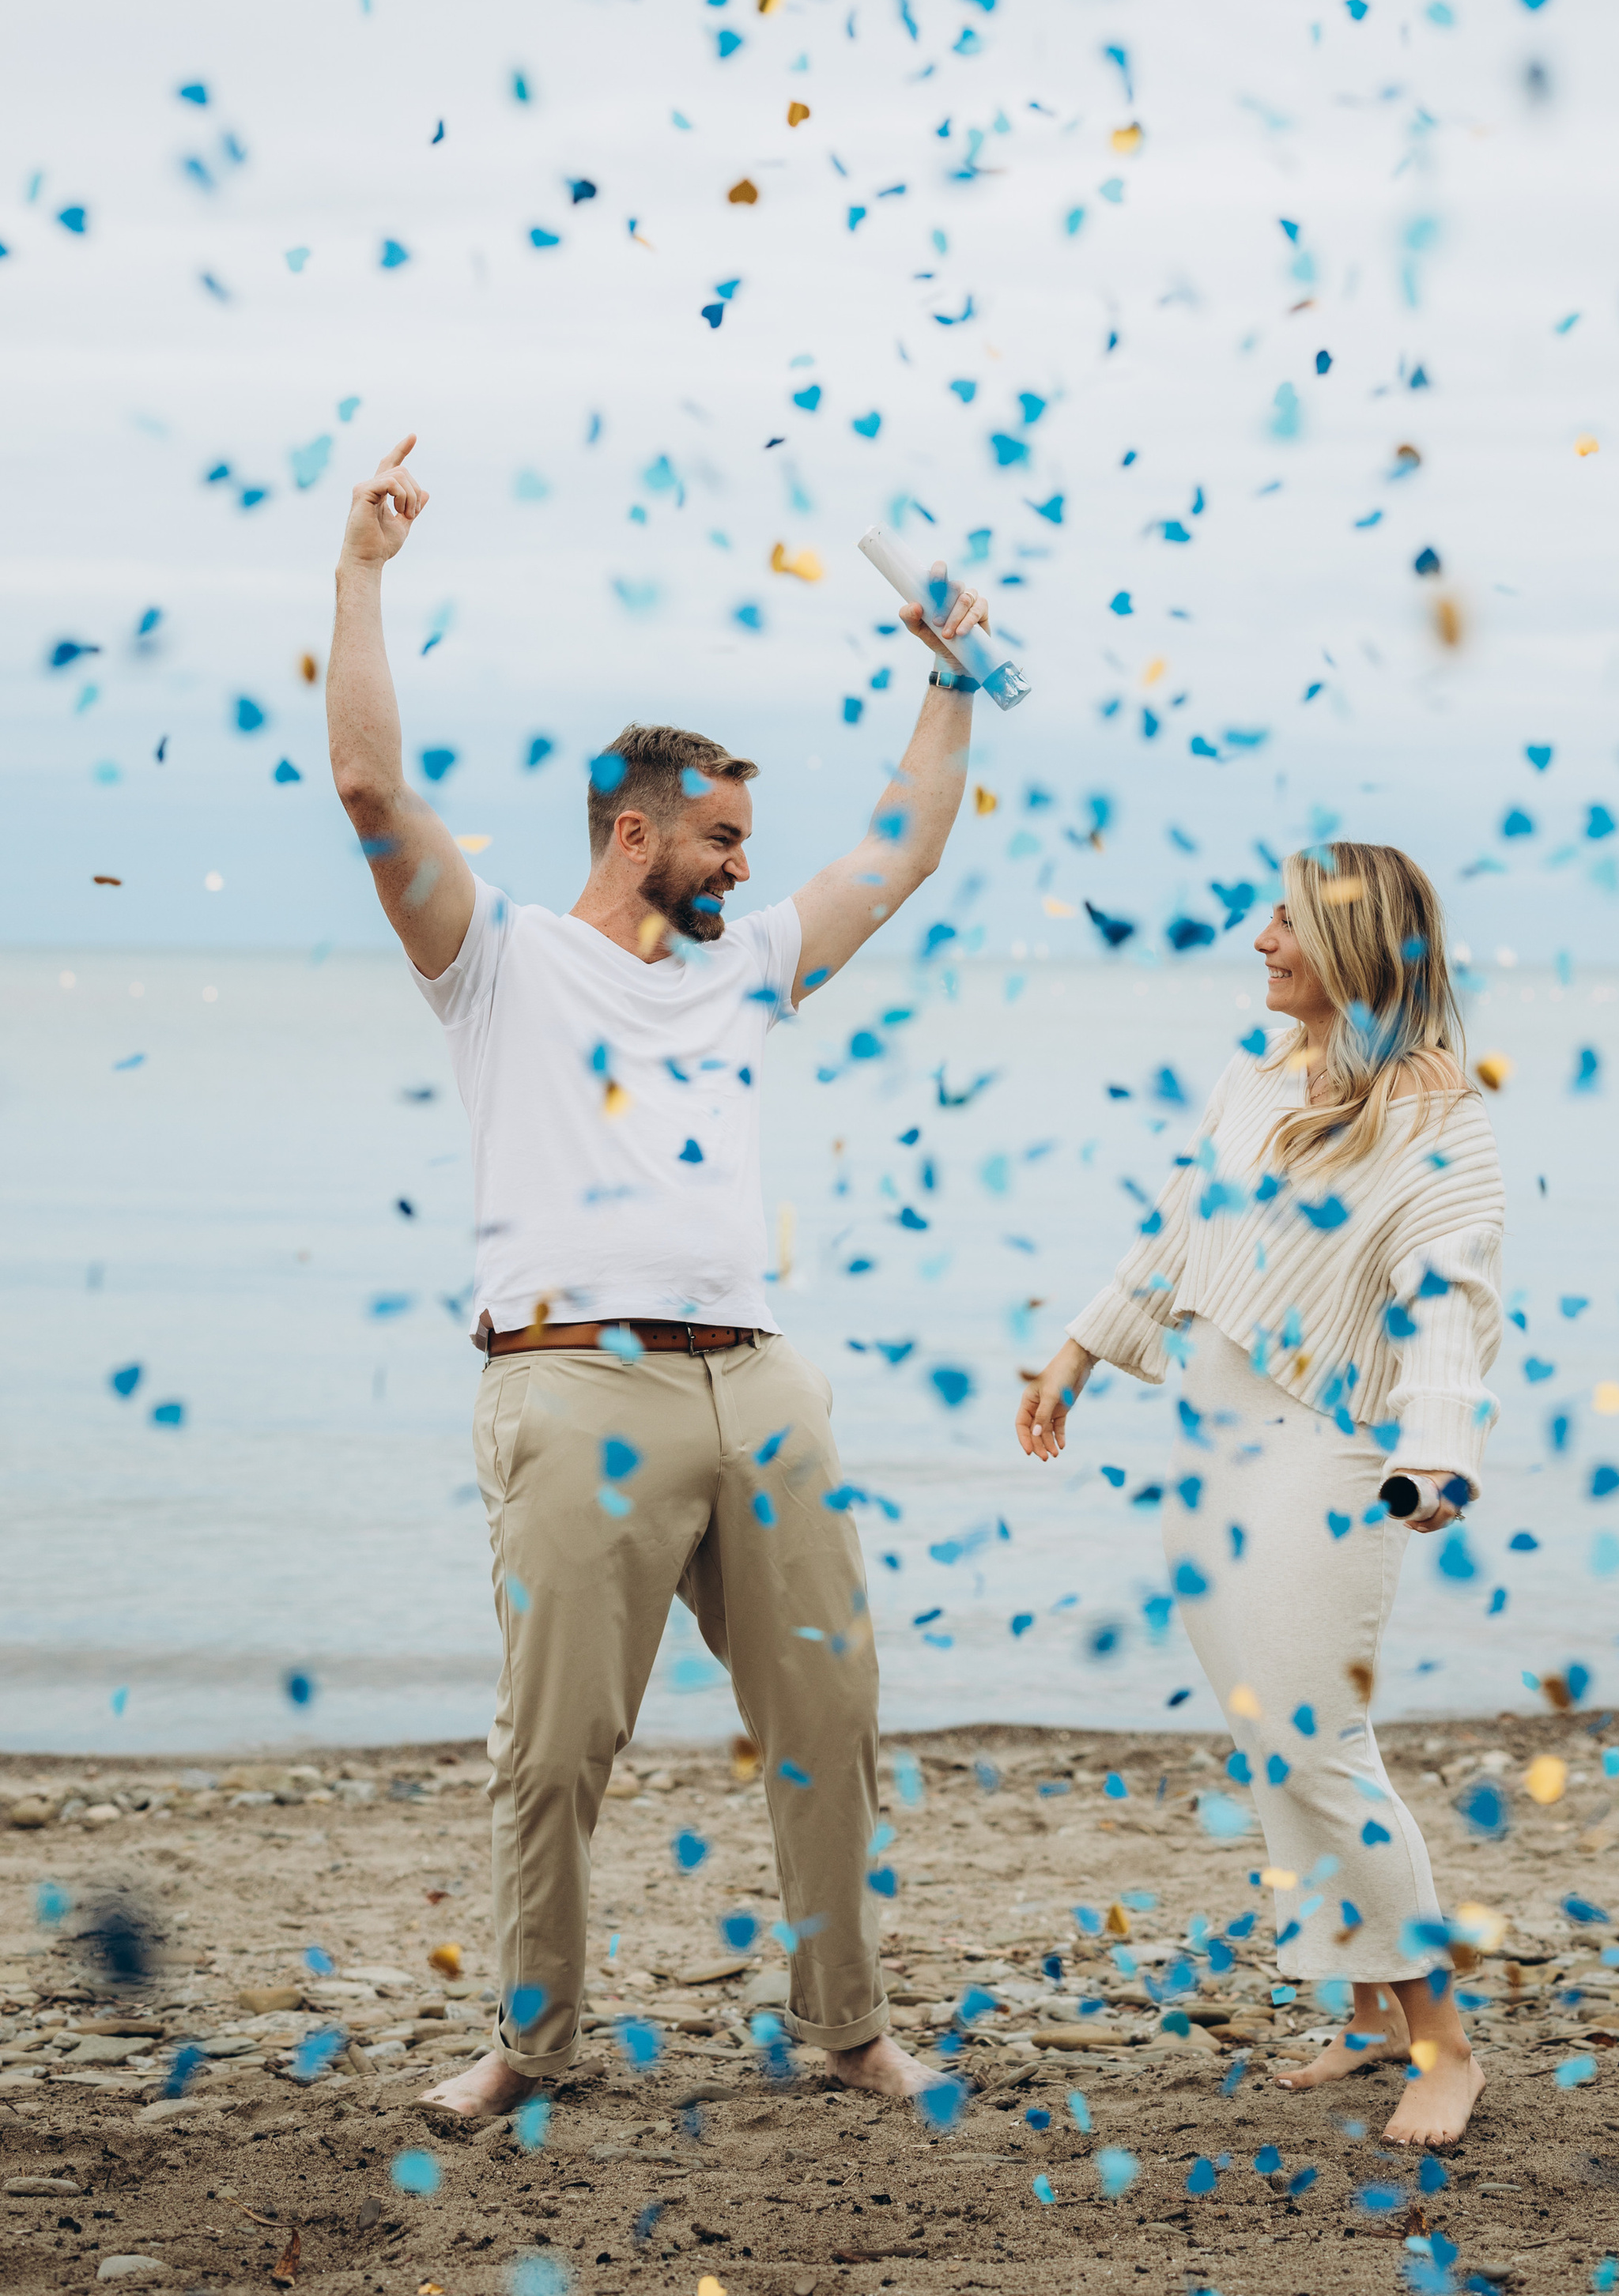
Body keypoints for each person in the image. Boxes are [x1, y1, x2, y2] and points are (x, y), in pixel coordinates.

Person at [326, 434, 992, 2121]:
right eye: (718, 836)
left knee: (828, 1725)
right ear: (631, 832)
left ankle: (846, 2028)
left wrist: (953, 680)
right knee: (554, 1755)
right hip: (573, 1385)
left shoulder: (746, 973)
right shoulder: (495, 960)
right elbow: (369, 794)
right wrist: (366, 569)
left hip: (753, 1383)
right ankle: (527, 2046)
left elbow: (899, 851)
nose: (745, 866)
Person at [1015, 844, 1505, 2148]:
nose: (1260, 937)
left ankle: (1443, 2045)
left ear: (1353, 940)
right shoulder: (1259, 1077)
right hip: (1210, 1435)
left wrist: (1438, 1447)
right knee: (1264, 1734)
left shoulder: (1437, 1113)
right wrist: (1076, 1350)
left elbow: (1453, 1292)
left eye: (1285, 918)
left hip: (1329, 1447)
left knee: (1315, 1743)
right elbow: (1184, 1220)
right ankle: (1363, 2015)